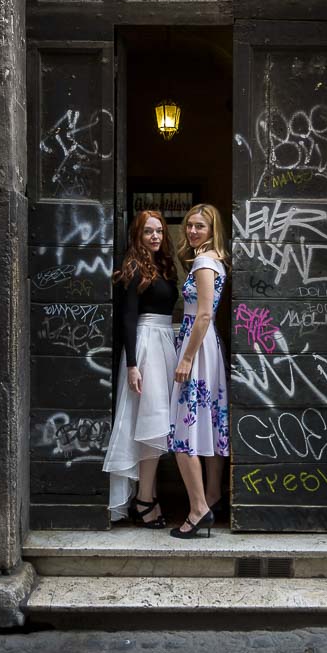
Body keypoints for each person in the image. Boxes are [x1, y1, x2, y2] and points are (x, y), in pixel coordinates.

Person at [102, 210, 178, 527]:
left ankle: (149, 496)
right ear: (137, 235)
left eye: (159, 231)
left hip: (164, 344)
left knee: (156, 425)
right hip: (146, 347)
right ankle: (144, 500)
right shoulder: (133, 268)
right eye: (149, 232)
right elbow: (128, 319)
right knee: (151, 427)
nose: (156, 236)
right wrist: (133, 364)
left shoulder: (163, 265)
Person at [168, 203, 230, 538]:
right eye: (189, 225)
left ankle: (197, 508)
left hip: (198, 346)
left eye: (200, 227)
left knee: (184, 429)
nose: (192, 231)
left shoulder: (205, 262)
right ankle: (213, 495)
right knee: (208, 421)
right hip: (207, 346)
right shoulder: (212, 259)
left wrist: (186, 358)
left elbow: (203, 315)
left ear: (212, 230)